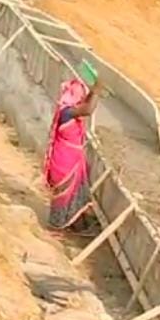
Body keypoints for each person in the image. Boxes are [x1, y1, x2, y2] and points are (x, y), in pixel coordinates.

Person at [44, 77, 102, 232]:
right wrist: (97, 91)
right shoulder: (68, 113)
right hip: (66, 162)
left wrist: (92, 91)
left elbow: (85, 105)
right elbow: (88, 110)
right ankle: (56, 227)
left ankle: (74, 224)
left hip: (70, 159)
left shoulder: (67, 109)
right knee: (64, 196)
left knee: (75, 194)